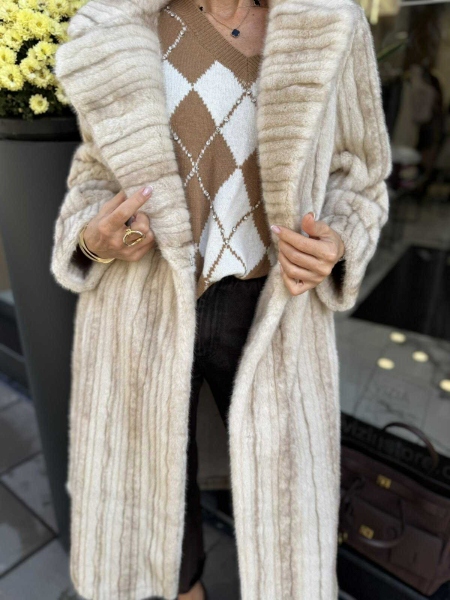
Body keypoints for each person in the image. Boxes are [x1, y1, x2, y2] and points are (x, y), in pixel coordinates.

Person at [50, 0, 392, 598]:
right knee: (156, 481)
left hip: (270, 309)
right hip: (144, 302)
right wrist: (93, 239)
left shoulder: (328, 23)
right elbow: (94, 178)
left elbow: (360, 174)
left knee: (284, 497)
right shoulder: (123, 28)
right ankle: (186, 591)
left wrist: (338, 244)